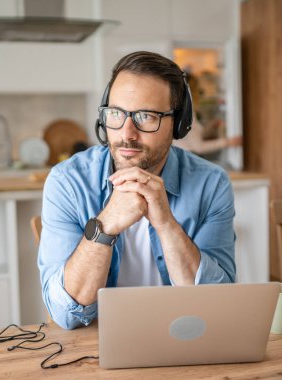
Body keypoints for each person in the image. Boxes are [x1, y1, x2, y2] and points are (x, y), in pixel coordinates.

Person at [38, 51, 236, 330]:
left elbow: (218, 304)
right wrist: (104, 226)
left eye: (146, 116)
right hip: (95, 346)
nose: (127, 133)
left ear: (179, 124)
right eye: (116, 114)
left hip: (182, 338)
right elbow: (65, 314)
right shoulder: (67, 181)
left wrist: (166, 224)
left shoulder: (211, 184)